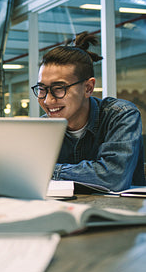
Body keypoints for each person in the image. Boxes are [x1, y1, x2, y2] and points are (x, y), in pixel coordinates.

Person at [32, 31, 144, 191]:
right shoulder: (41, 128)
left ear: (88, 88)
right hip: (64, 209)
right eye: (42, 89)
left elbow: (112, 177)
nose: (48, 100)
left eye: (59, 89)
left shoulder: (121, 115)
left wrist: (47, 170)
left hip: (121, 213)